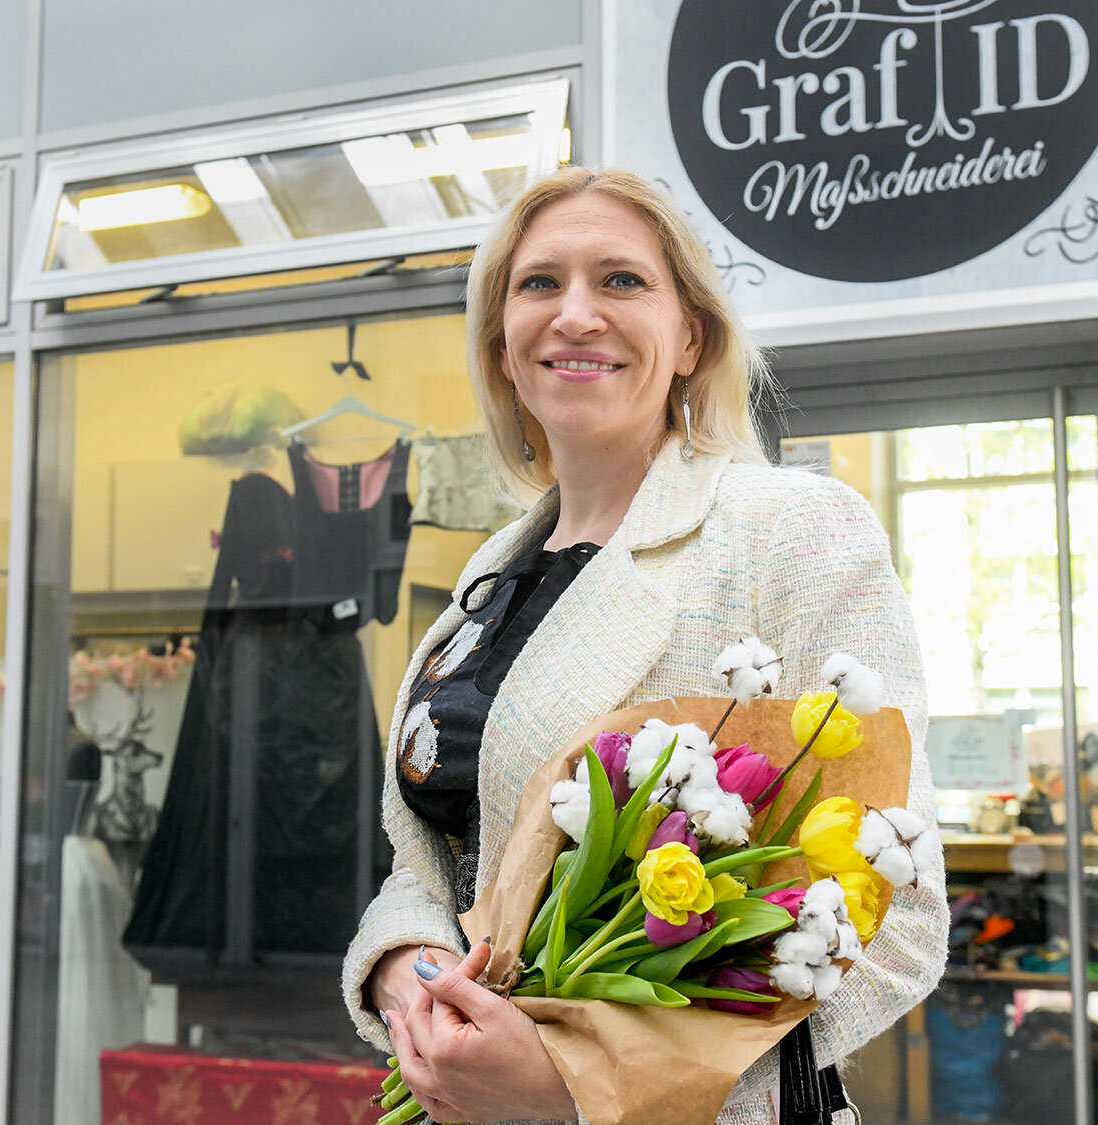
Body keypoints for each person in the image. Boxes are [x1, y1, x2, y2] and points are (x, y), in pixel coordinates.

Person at [339, 167, 946, 1123]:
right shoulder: (482, 583)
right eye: (539, 284)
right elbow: (433, 865)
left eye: (620, 280)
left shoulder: (790, 530)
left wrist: (576, 1085)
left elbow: (896, 920)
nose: (575, 313)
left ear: (691, 336)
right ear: (502, 343)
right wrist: (404, 976)